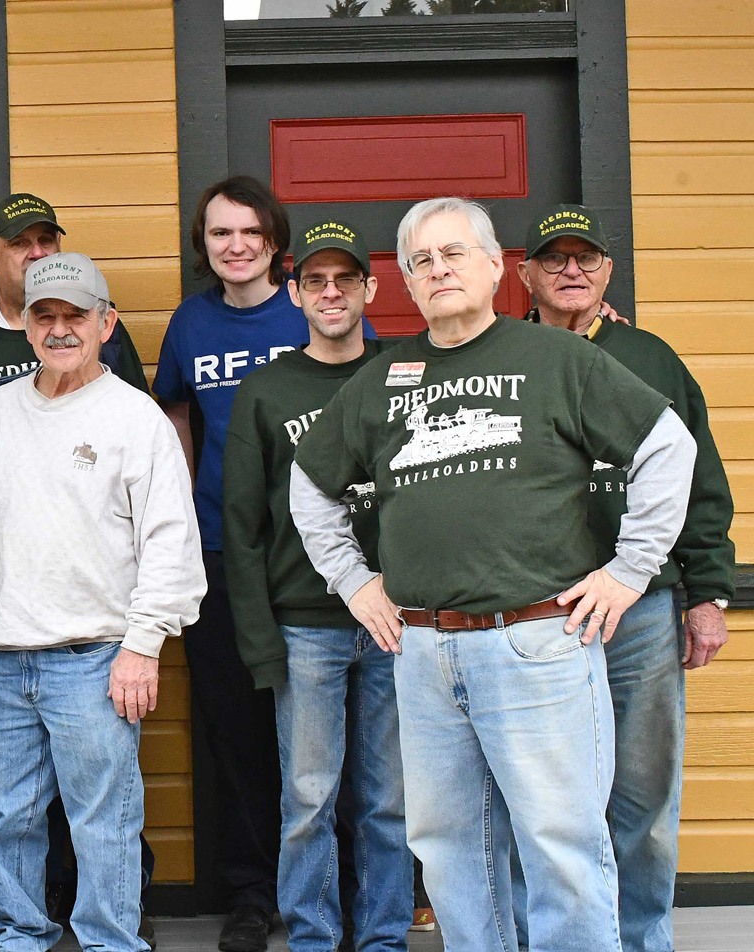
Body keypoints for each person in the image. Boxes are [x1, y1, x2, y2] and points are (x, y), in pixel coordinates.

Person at [290, 197, 697, 952]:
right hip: (422, 650)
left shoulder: (559, 359)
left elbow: (667, 447)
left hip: (537, 642)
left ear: (493, 266)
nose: (438, 269)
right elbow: (310, 482)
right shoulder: (381, 380)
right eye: (421, 260)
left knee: (562, 844)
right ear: (407, 283)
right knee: (449, 850)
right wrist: (354, 582)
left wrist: (630, 570)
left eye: (454, 254)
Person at [153, 176, 377, 951]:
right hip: (225, 551)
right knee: (240, 730)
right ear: (204, 245)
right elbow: (176, 413)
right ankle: (253, 892)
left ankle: (350, 892)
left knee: (338, 743)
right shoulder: (190, 323)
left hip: (329, 564)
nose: (237, 246)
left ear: (277, 243)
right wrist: (186, 514)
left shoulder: (315, 306)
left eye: (251, 231)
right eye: (221, 233)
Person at [0, 253, 205, 952]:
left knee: (104, 823)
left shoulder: (135, 417)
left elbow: (170, 539)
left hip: (97, 659)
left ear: (107, 323)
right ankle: (21, 936)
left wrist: (143, 645)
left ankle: (111, 943)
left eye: (76, 315)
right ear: (27, 326)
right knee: (5, 819)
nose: (60, 329)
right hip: (7, 658)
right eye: (45, 316)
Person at [516, 204, 735, 952]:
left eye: (586, 258)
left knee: (643, 792)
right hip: (536, 610)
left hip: (641, 609)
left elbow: (700, 482)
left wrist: (707, 593)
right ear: (525, 274)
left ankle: (642, 939)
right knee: (542, 794)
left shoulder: (651, 357)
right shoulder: (505, 358)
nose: (571, 271)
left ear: (608, 270)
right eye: (554, 259)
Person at [221, 221, 411, 952]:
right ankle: (312, 937)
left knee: (388, 799)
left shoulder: (405, 371)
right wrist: (259, 640)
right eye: (316, 281)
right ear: (295, 294)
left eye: (346, 279)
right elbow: (242, 528)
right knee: (308, 797)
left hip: (398, 621)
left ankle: (385, 936)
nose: (332, 293)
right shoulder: (267, 390)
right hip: (305, 624)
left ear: (370, 288)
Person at [0, 192, 148, 444]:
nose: (37, 253)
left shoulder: (94, 323)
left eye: (46, 240)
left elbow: (136, 417)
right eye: (19, 243)